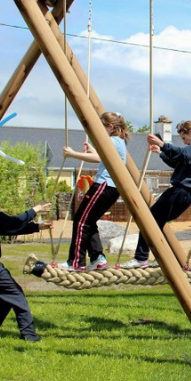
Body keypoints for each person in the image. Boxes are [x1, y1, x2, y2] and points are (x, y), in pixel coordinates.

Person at [120, 121, 191, 268]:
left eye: (184, 138)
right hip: (183, 194)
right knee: (157, 222)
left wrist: (162, 144)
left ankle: (141, 258)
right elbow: (178, 162)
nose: (184, 142)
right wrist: (161, 153)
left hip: (180, 191)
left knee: (148, 220)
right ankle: (162, 256)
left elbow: (181, 153)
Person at [0, 179, 53, 341]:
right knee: (17, 295)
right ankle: (29, 336)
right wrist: (36, 209)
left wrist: (37, 227)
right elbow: (13, 222)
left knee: (6, 296)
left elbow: (5, 228)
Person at [58, 111, 129, 271]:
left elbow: (99, 159)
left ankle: (76, 262)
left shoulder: (112, 140)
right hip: (111, 188)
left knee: (81, 221)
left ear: (110, 126)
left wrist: (73, 154)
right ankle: (98, 258)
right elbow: (103, 157)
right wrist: (91, 150)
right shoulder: (119, 141)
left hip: (104, 186)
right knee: (89, 222)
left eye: (101, 127)